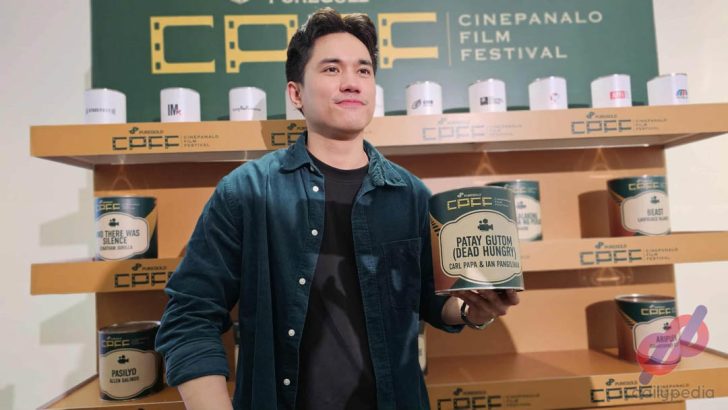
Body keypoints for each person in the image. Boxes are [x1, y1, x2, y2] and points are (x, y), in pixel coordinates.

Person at [155, 7, 519, 410]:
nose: (351, 82)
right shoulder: (247, 192)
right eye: (331, 69)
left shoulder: (411, 194)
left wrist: (472, 310)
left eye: (363, 70)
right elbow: (189, 317)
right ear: (296, 93)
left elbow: (434, 302)